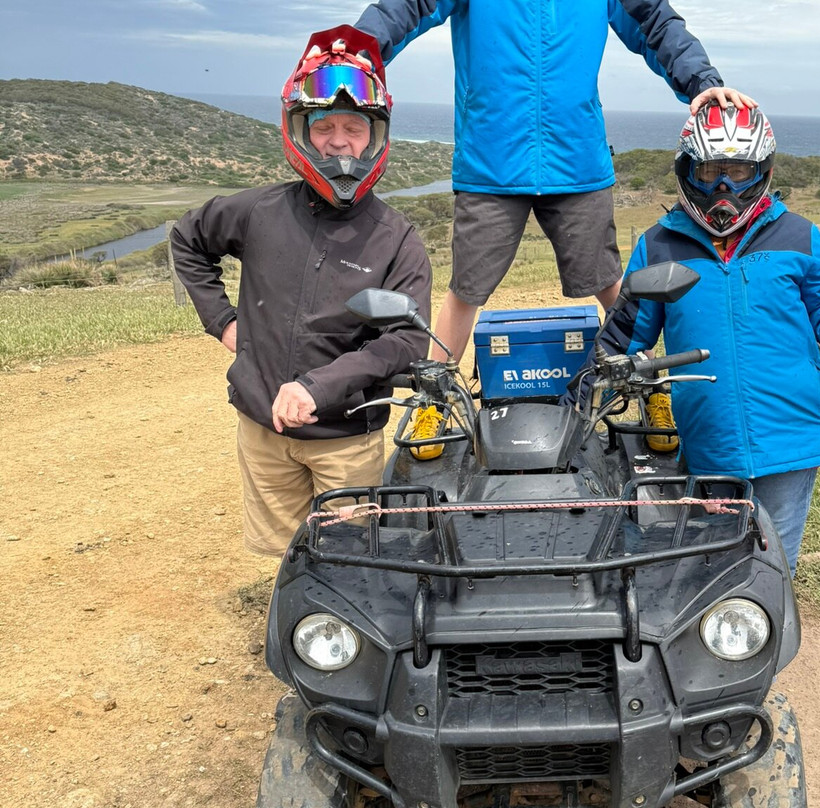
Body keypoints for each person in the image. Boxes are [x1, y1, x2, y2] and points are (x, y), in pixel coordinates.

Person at [349, 0, 756, 458]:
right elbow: (409, 6)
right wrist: (354, 51)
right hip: (491, 164)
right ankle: (436, 398)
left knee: (610, 285)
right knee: (465, 291)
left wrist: (702, 82)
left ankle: (646, 384)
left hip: (576, 161)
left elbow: (654, 21)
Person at [590, 103, 820, 575]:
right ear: (688, 170)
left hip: (791, 439)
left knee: (770, 570)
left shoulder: (798, 235)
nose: (724, 185)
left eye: (738, 170)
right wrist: (578, 394)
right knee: (706, 569)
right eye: (711, 169)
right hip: (708, 442)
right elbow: (623, 337)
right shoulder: (658, 244)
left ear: (761, 170)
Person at [170, 27, 432, 556]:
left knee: (349, 560)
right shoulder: (259, 212)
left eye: (354, 127)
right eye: (324, 126)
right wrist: (222, 322)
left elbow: (406, 342)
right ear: (301, 131)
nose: (339, 141)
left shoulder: (396, 237)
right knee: (284, 558)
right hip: (261, 427)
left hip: (345, 439)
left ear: (375, 135)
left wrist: (319, 384)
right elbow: (187, 239)